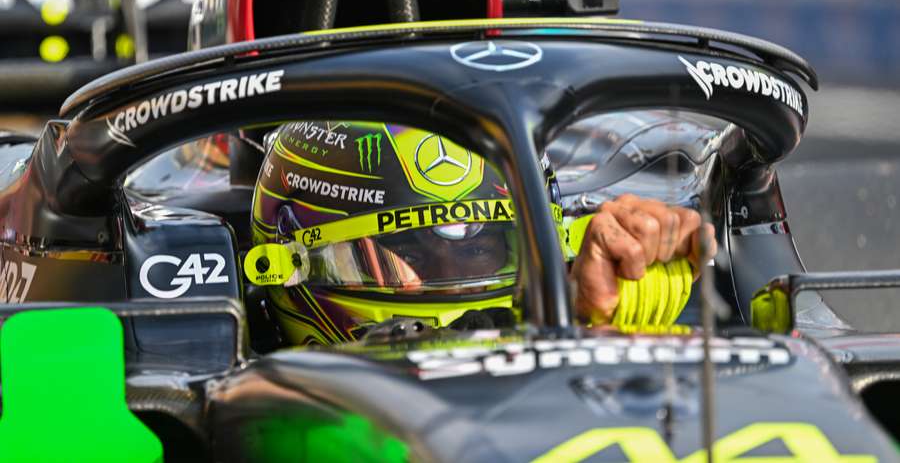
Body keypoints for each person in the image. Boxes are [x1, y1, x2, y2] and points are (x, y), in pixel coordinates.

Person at [245, 120, 717, 345]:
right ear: (285, 264)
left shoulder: (568, 301)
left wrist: (588, 315)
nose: (450, 272)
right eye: (404, 251)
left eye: (480, 248)